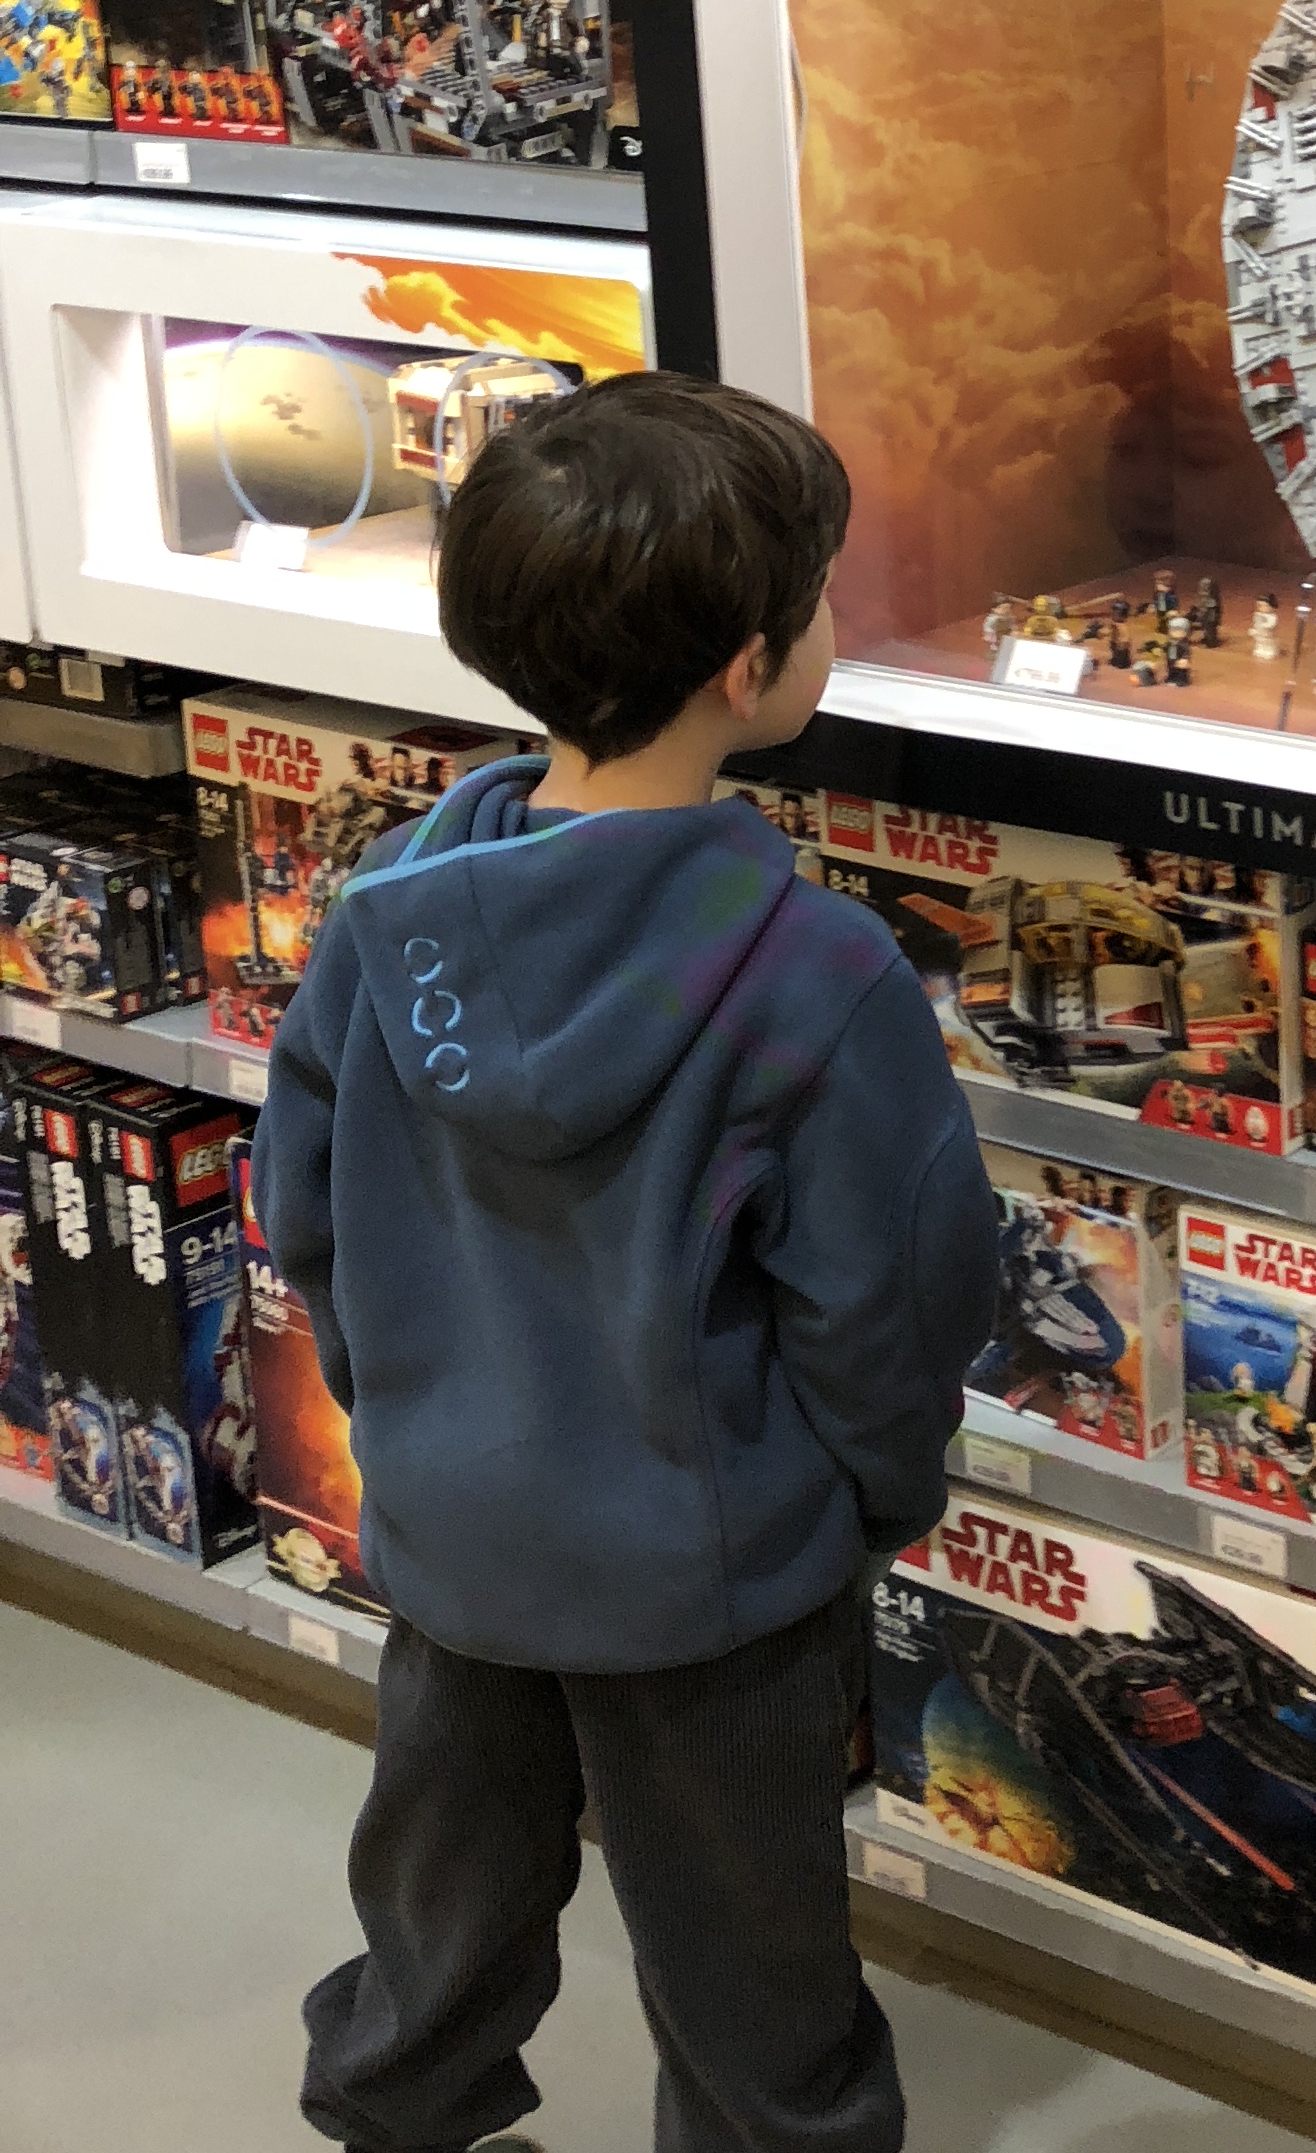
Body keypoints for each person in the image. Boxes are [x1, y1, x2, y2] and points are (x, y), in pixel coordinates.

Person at [253, 370, 995, 2153]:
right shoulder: (818, 974)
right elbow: (890, 1302)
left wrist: (418, 1418)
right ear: (751, 667)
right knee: (752, 1964)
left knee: (437, 1900)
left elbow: (306, 1208)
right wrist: (875, 1495)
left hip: (452, 1539)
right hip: (710, 1583)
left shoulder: (388, 906)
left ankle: (395, 2110)